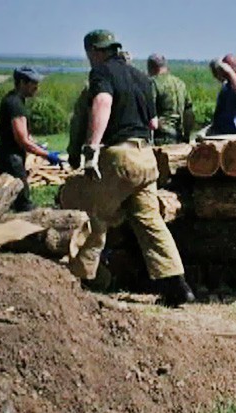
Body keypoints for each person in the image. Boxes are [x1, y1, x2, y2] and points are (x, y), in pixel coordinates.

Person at [60, 29, 194, 306]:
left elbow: (102, 103)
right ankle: (178, 286)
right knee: (151, 223)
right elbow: (154, 124)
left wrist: (91, 148)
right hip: (145, 157)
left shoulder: (101, 73)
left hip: (118, 156)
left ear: (94, 51)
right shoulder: (141, 78)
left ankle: (79, 281)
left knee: (93, 214)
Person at [0, 66, 62, 212]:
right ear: (22, 83)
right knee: (22, 202)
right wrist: (46, 155)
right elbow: (22, 140)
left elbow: (26, 136)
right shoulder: (15, 104)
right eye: (33, 83)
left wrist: (39, 147)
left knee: (13, 199)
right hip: (11, 158)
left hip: (10, 155)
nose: (37, 87)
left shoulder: (16, 100)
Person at [147, 53, 194, 145]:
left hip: (161, 136)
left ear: (151, 67)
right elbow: (189, 112)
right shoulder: (180, 83)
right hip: (179, 135)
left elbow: (149, 109)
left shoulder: (153, 83)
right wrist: (187, 135)